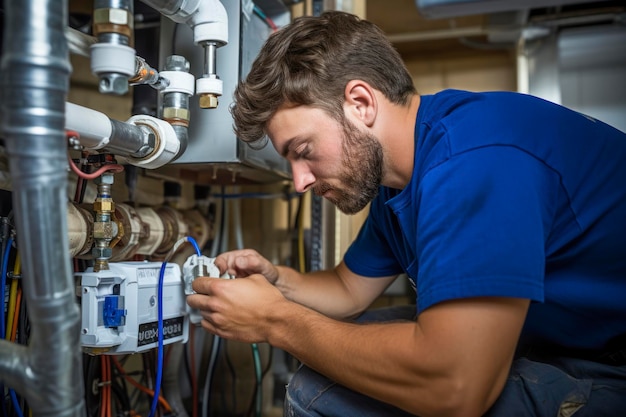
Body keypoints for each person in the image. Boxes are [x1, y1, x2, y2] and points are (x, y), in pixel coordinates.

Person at [186, 11, 626, 417]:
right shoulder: (399, 183)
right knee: (327, 372)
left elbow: (457, 388)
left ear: (360, 103)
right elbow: (348, 289)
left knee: (323, 392)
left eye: (303, 151)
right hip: (564, 344)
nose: (299, 181)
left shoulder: (473, 160)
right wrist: (277, 284)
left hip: (610, 365)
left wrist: (274, 320)